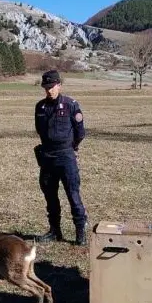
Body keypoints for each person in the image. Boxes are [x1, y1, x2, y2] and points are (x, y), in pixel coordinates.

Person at [34, 69, 87, 245]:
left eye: (52, 86)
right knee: (50, 196)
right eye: (46, 87)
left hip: (66, 156)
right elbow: (40, 130)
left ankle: (80, 233)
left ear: (59, 85)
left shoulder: (71, 104)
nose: (49, 90)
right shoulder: (40, 107)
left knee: (73, 195)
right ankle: (54, 231)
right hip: (47, 157)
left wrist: (72, 148)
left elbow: (80, 132)